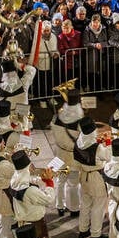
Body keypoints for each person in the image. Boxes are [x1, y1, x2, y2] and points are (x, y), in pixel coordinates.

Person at [51, 88, 83, 218]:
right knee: (74, 183)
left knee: (60, 180)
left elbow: (52, 130)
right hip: (73, 155)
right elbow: (83, 140)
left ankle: (60, 206)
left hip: (59, 152)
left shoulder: (57, 116)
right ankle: (74, 209)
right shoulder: (80, 119)